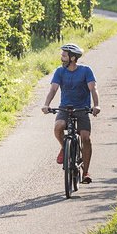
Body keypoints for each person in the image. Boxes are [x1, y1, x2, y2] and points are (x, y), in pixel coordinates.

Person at [41, 43, 100, 184]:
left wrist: (96, 105)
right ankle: (64, 147)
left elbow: (93, 88)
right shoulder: (59, 72)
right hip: (64, 108)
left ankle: (85, 172)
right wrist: (46, 104)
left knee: (85, 138)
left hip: (82, 109)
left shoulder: (86, 71)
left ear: (72, 58)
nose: (61, 58)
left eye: (64, 55)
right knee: (58, 127)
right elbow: (53, 89)